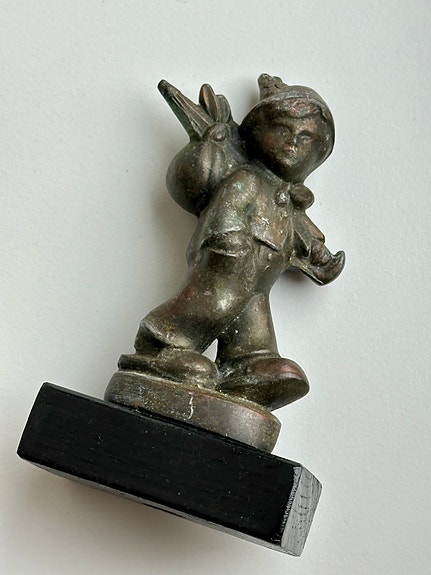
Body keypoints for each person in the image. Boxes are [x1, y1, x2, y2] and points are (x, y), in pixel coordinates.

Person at [120, 74, 345, 411]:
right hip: (228, 263)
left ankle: (248, 364)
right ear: (258, 133)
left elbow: (302, 232)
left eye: (305, 138)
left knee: (253, 317)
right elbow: (228, 209)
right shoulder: (247, 179)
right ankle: (160, 346)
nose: (292, 144)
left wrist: (319, 255)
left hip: (261, 275)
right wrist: (229, 240)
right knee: (213, 303)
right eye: (283, 131)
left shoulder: (286, 196)